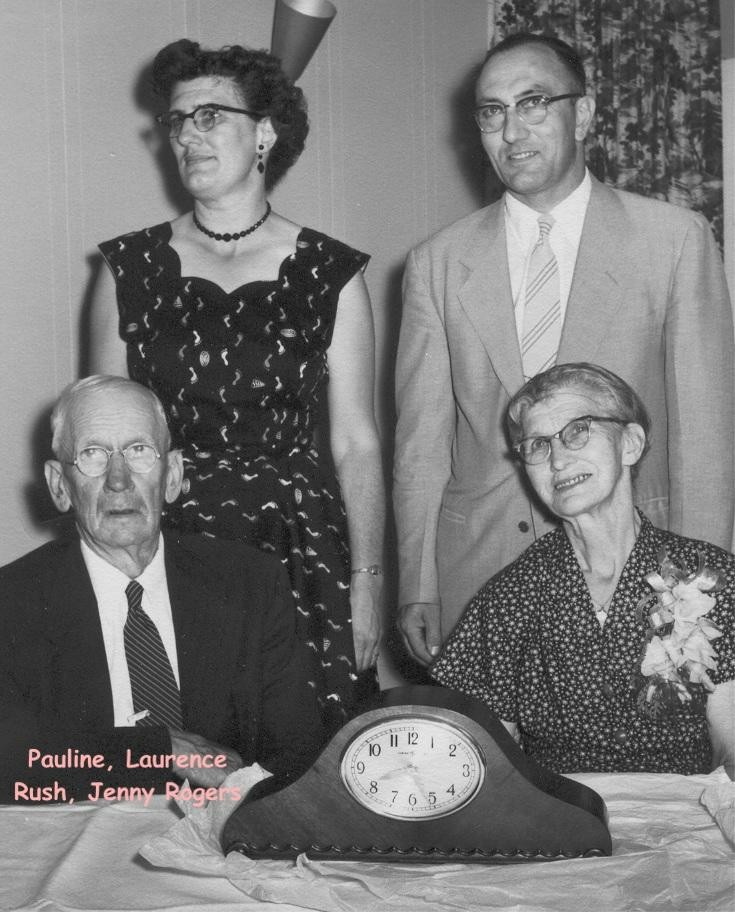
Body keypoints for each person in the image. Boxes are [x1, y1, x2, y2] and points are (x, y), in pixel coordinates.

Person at [394, 31, 734, 666]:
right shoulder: (436, 263)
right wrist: (418, 581)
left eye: (533, 103)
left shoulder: (674, 241)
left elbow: (705, 439)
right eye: (492, 111)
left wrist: (701, 588)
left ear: (583, 115)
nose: (512, 130)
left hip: (640, 573)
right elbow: (421, 444)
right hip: (482, 577)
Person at [89, 40, 385, 730]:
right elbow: (99, 442)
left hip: (297, 548)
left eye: (211, 116)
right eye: (177, 120)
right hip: (167, 543)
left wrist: (368, 582)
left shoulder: (331, 273)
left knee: (300, 758)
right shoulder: (127, 269)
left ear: (266, 134)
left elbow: (356, 443)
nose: (187, 136)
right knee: (177, 753)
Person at [0, 376, 324, 803]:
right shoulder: (12, 602)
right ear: (60, 485)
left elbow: (297, 756)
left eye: (139, 451)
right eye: (93, 454)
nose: (118, 480)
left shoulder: (252, 584)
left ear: (172, 476)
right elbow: (9, 761)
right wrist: (157, 749)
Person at [431, 363, 735, 775]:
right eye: (538, 444)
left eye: (578, 431)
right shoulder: (509, 598)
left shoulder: (711, 577)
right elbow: (481, 766)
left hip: (684, 809)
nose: (557, 460)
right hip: (558, 811)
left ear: (630, 444)